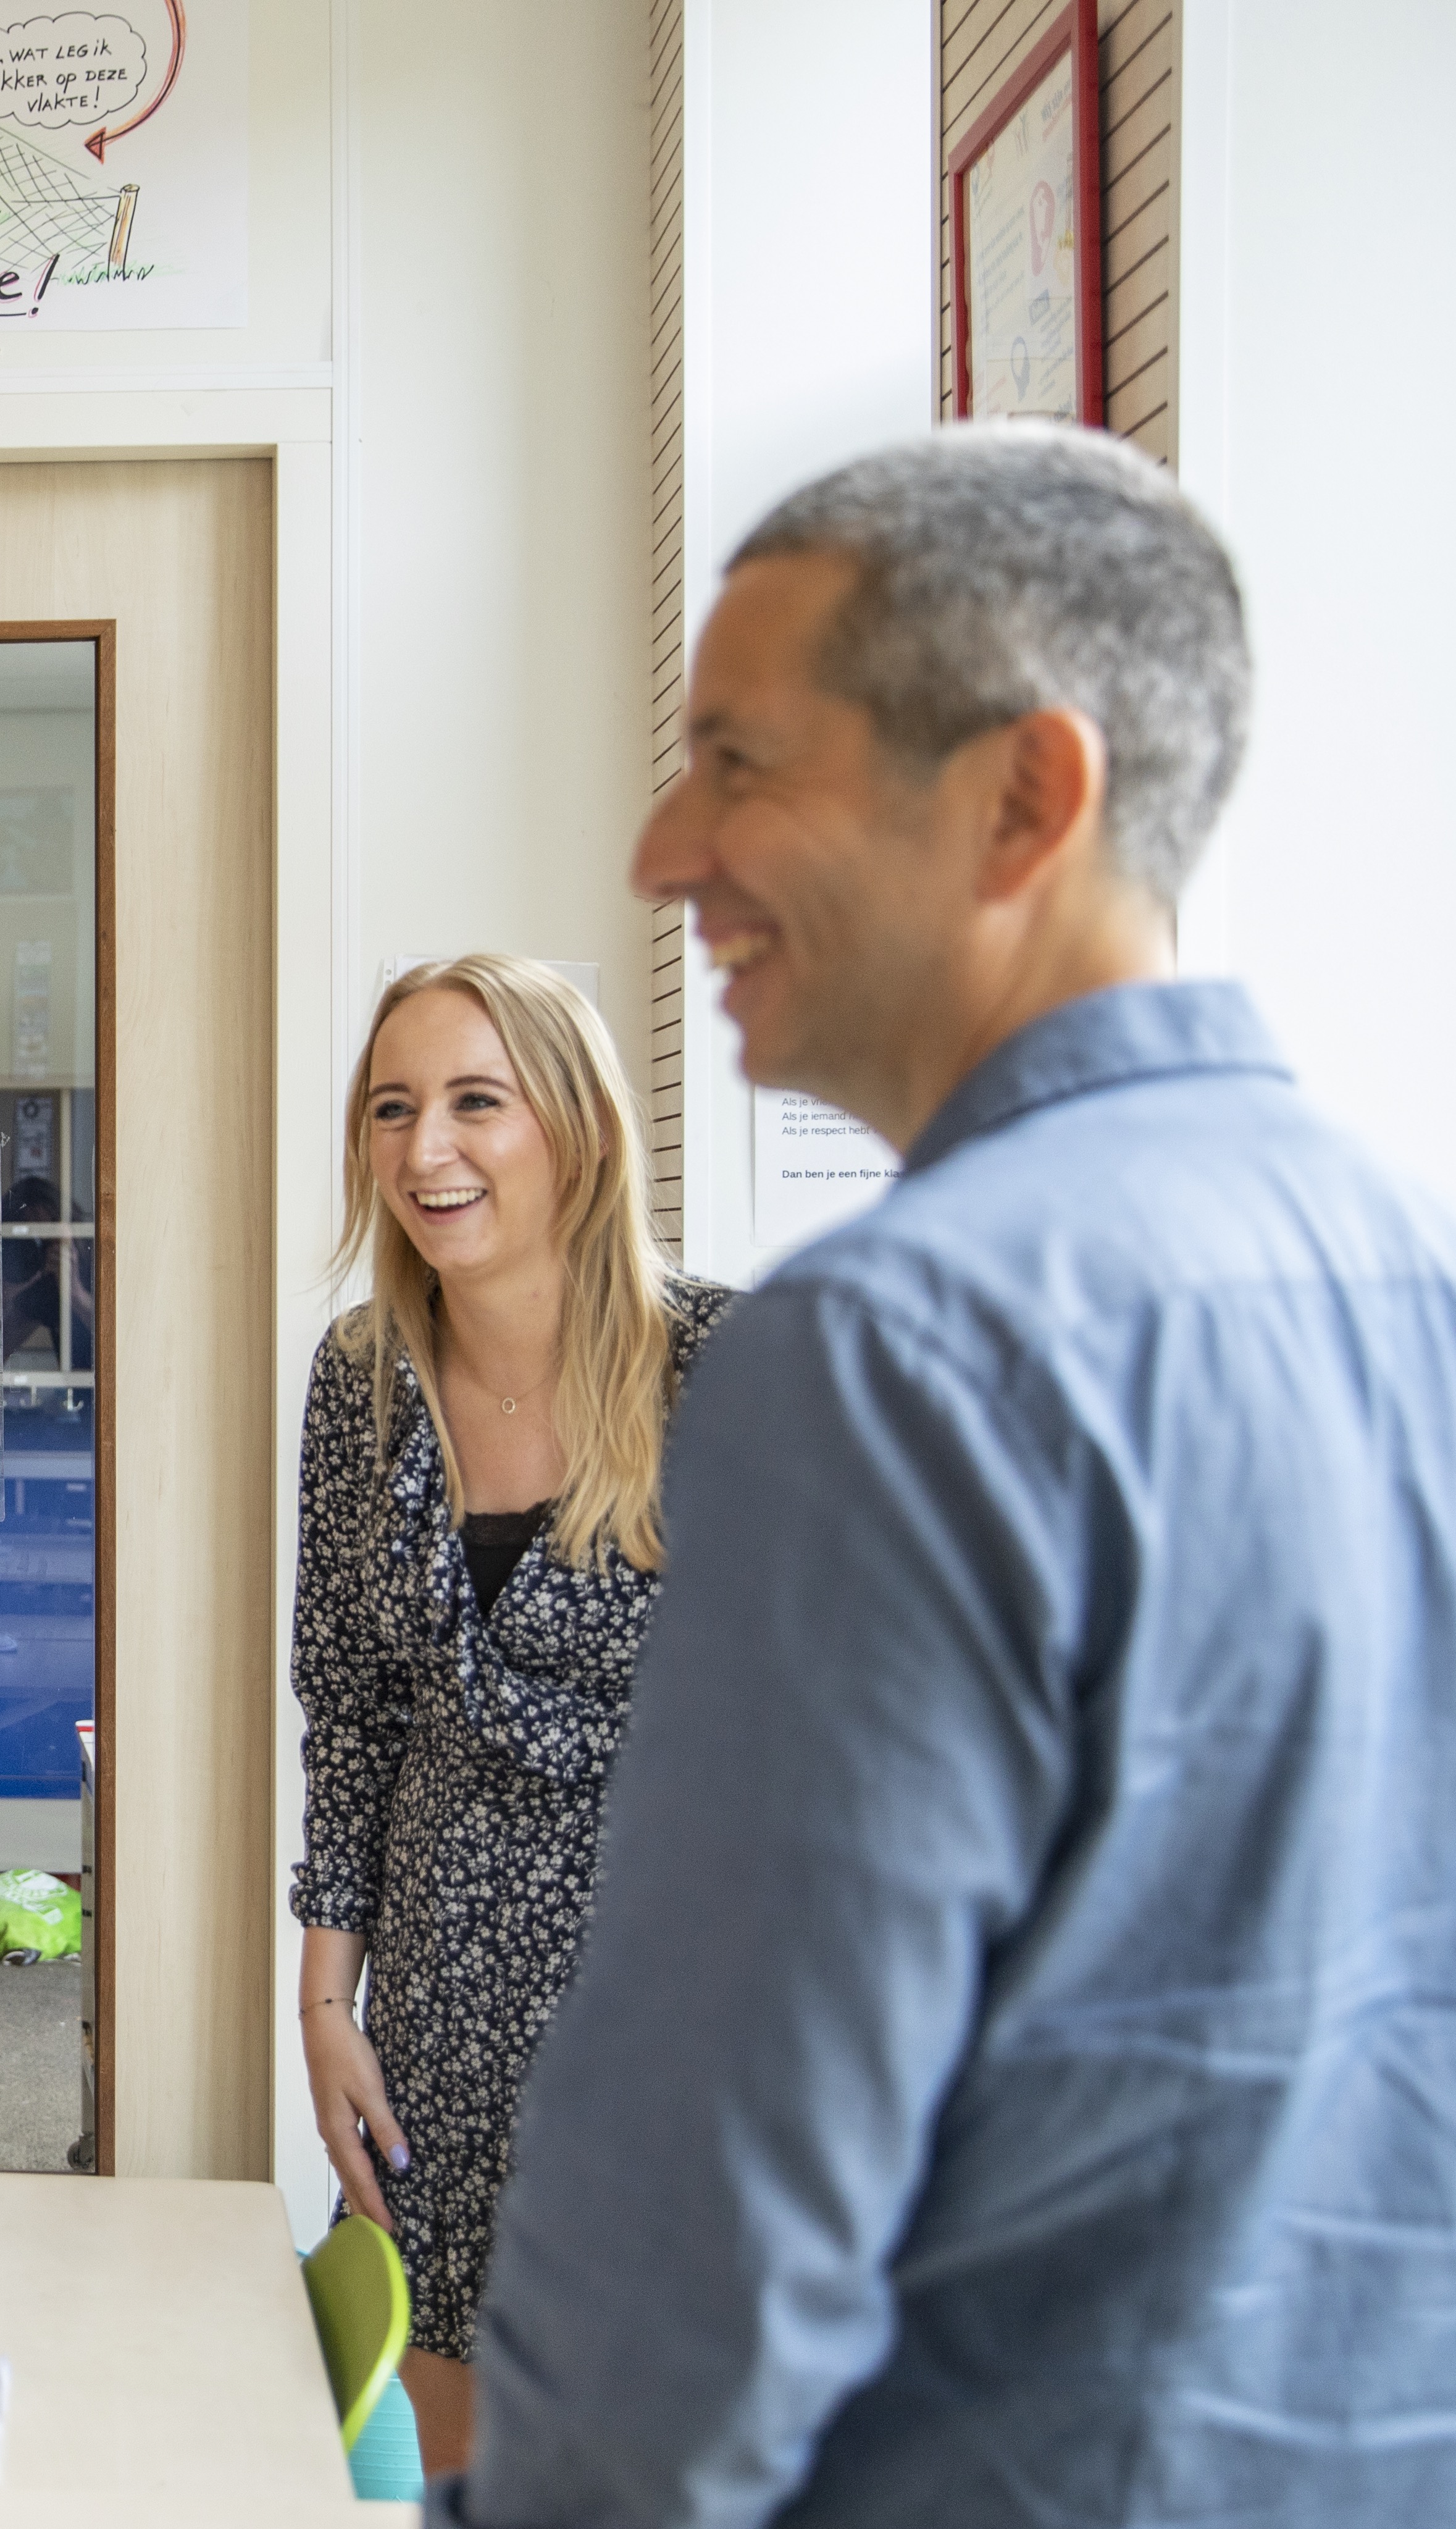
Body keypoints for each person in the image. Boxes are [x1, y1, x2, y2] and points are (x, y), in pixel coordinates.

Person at [441, 426, 1455, 2527]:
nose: (660, 848)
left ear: (1025, 796)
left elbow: (693, 2264)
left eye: (739, 763)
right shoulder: (1395, 1268)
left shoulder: (894, 1352)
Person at [290, 953, 730, 2470]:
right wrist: (322, 2003)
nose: (425, 1151)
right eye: (391, 1107)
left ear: (577, 1127)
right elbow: (345, 1710)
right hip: (433, 2009)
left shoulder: (725, 1368)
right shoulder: (357, 1381)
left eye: (476, 1101)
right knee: (451, 2439)